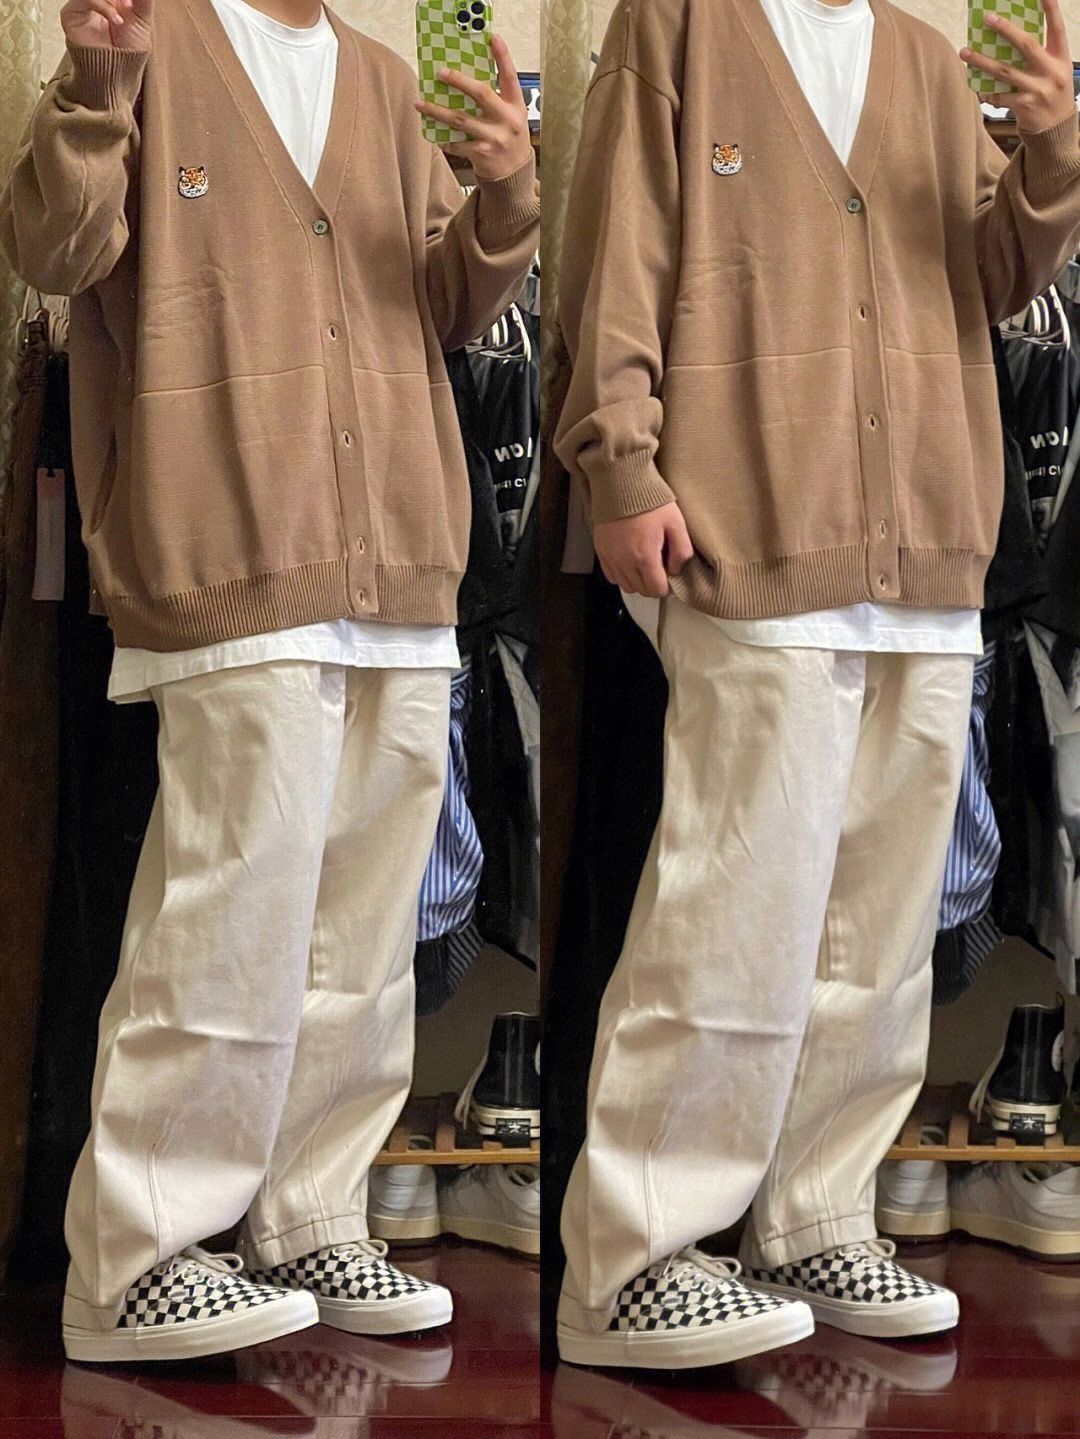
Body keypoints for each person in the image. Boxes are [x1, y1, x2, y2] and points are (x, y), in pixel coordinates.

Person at [0, 0, 538, 1364]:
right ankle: (136, 1260)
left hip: (400, 571)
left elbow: (448, 307)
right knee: (226, 924)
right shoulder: (152, 43)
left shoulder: (385, 80)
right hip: (229, 556)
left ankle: (307, 1215)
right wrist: (98, 82)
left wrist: (503, 194)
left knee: (361, 943)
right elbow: (55, 250)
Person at [553, 0, 1080, 1370]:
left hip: (928, 549)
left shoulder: (924, 58)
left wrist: (1053, 147)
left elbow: (995, 275)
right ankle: (635, 1260)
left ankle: (817, 1214)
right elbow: (616, 256)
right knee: (730, 915)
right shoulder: (677, 25)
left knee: (880, 937)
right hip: (752, 534)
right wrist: (620, 463)